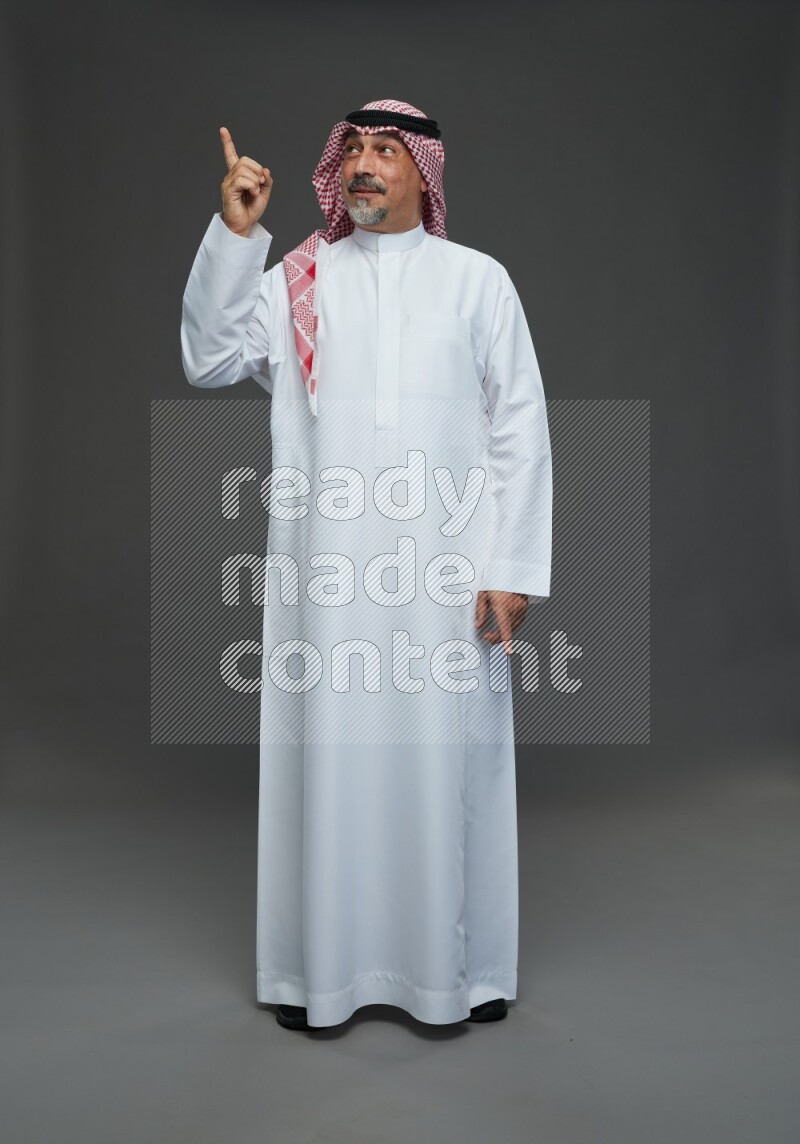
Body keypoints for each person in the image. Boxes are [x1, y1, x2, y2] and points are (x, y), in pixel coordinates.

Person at [180, 98, 553, 1031]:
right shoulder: (300, 276)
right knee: (330, 760)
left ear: (422, 171)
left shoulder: (477, 282)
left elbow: (520, 430)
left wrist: (509, 566)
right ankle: (322, 978)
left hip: (446, 580)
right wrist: (237, 236)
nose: (367, 166)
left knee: (450, 763)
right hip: (328, 582)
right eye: (354, 151)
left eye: (388, 152)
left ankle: (459, 978)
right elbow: (210, 358)